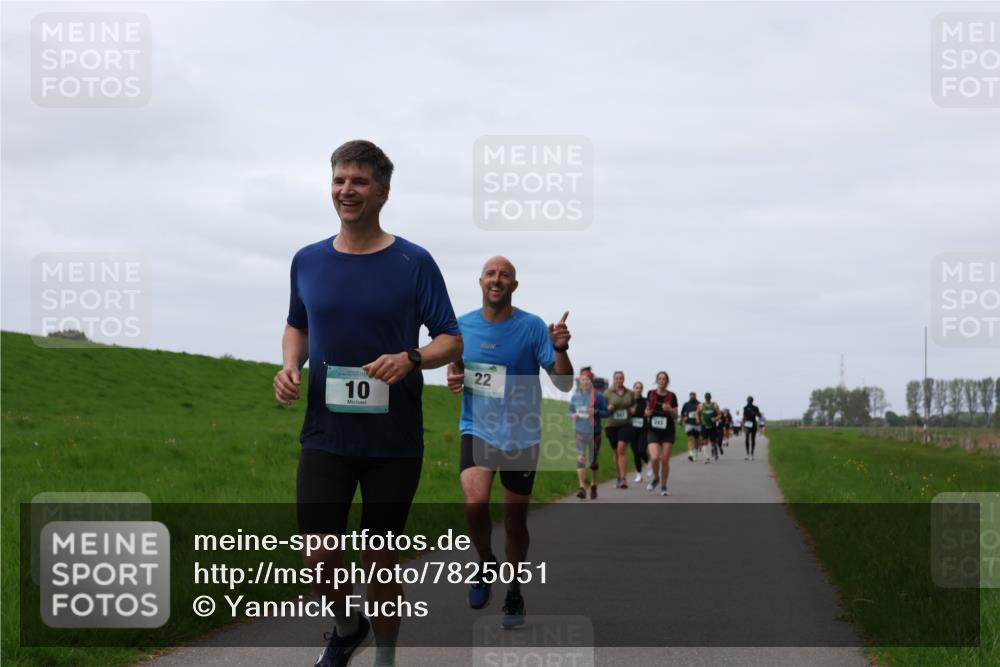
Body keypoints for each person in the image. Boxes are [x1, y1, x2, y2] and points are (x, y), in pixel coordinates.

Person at [275, 140, 463, 667]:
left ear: (382, 191)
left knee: (378, 561)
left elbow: (449, 338)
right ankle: (346, 625)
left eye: (358, 181)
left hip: (393, 442)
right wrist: (291, 364)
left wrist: (411, 358)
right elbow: (298, 324)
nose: (346, 190)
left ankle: (384, 654)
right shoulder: (307, 260)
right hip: (326, 436)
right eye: (339, 180)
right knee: (317, 557)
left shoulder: (413, 261)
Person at [446, 256, 573, 630]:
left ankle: (514, 589)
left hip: (521, 434)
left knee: (515, 523)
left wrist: (561, 348)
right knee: (474, 503)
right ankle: (485, 561)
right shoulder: (462, 326)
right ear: (480, 281)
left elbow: (563, 382)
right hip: (477, 428)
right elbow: (454, 370)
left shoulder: (532, 327)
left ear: (514, 286)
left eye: (505, 275)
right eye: (491, 273)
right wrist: (454, 377)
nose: (497, 279)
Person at [570, 370, 609, 499]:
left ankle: (593, 483)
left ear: (591, 382)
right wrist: (573, 415)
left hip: (594, 432)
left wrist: (596, 412)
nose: (585, 382)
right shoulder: (576, 396)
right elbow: (570, 412)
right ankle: (582, 487)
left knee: (593, 462)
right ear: (579, 382)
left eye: (587, 380)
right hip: (580, 431)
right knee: (581, 458)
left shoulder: (598, 396)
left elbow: (606, 413)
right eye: (582, 380)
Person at [644, 371, 678, 496]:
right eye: (660, 378)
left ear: (667, 381)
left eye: (664, 379)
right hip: (653, 429)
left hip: (668, 431)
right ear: (657, 380)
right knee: (654, 458)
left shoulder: (672, 396)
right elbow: (647, 410)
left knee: (664, 460)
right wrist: (646, 413)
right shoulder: (650, 394)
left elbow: (676, 416)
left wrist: (669, 409)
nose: (662, 381)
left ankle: (663, 485)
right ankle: (656, 478)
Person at [604, 371, 635, 489]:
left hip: (626, 424)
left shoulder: (630, 393)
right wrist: (608, 408)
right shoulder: (607, 393)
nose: (619, 380)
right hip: (611, 425)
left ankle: (623, 479)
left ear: (624, 379)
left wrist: (633, 409)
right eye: (617, 378)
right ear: (614, 379)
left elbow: (634, 406)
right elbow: (602, 409)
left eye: (621, 378)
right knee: (615, 452)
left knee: (621, 449)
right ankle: (618, 476)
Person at [628, 381, 648, 483]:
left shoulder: (645, 401)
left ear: (642, 390)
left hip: (643, 429)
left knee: (641, 450)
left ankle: (648, 464)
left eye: (640, 388)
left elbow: (646, 414)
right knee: (635, 453)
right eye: (636, 387)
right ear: (633, 389)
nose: (638, 389)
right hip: (632, 430)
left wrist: (636, 412)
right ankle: (639, 474)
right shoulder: (629, 401)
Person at [697, 392, 723, 462]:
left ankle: (714, 450)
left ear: (710, 398)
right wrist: (698, 420)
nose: (708, 399)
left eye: (709, 398)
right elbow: (696, 412)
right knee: (704, 441)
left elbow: (720, 414)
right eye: (706, 398)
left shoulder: (714, 405)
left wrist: (716, 418)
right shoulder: (701, 405)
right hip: (704, 425)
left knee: (713, 442)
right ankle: (706, 458)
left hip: (712, 425)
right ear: (705, 398)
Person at [680, 392, 701, 462]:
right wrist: (684, 417)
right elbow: (682, 413)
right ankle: (690, 453)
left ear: (695, 396)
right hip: (689, 423)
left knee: (696, 440)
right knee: (690, 438)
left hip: (697, 424)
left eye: (693, 396)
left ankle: (695, 453)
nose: (692, 397)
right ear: (689, 396)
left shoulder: (699, 404)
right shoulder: (686, 404)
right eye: (691, 396)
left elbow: (702, 413)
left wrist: (700, 418)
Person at [743, 396, 762, 461]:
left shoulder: (756, 408)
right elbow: (744, 416)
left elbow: (759, 415)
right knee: (747, 439)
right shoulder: (745, 408)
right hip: (747, 424)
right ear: (747, 401)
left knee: (753, 439)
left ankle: (752, 454)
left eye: (750, 400)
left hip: (753, 424)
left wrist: (756, 414)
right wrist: (744, 423)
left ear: (752, 401)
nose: (749, 401)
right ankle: (747, 454)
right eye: (748, 400)